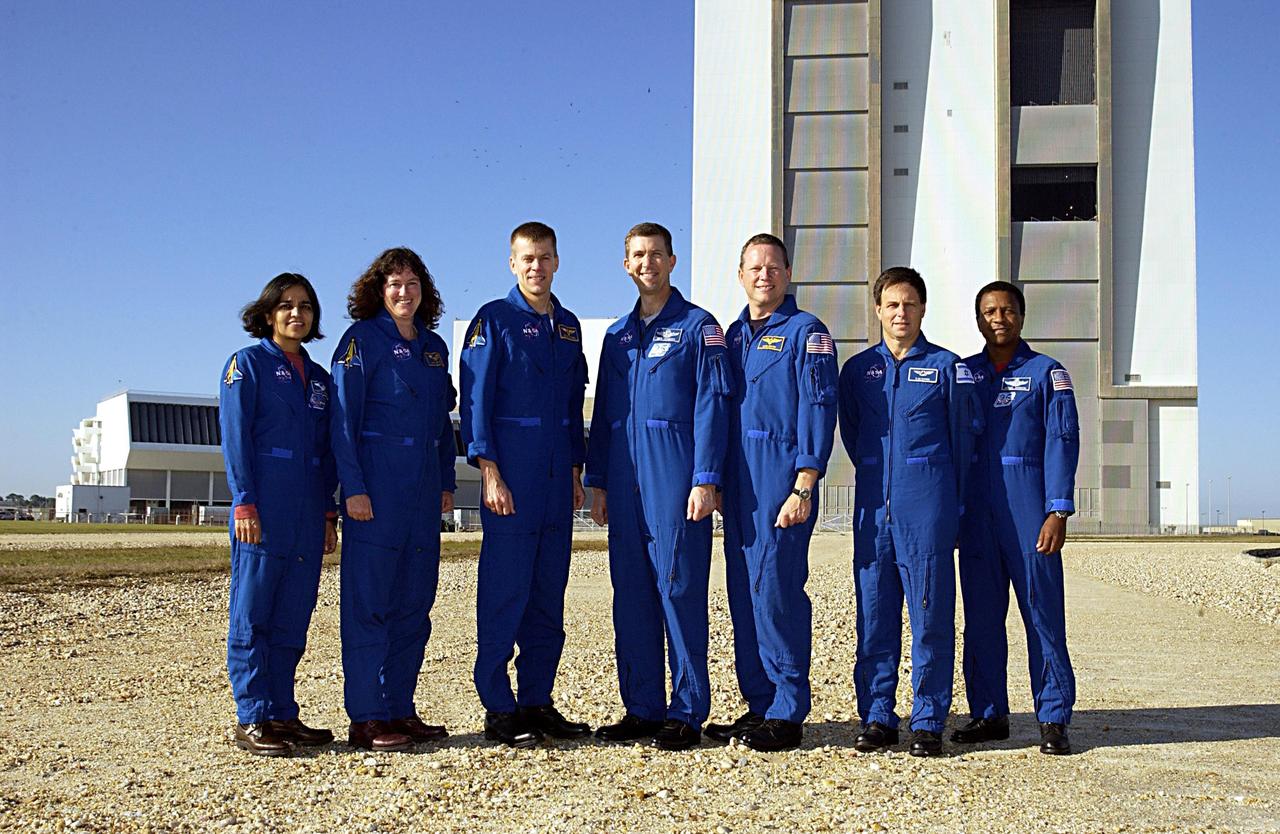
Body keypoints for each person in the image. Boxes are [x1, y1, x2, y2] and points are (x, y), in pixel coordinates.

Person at [585, 222, 732, 750]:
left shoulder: (698, 327)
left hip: (676, 478)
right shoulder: (619, 336)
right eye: (637, 255)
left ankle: (687, 709)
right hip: (624, 482)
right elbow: (604, 413)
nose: (646, 263)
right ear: (626, 264)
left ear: (673, 262)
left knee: (679, 588)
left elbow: (712, 404)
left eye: (655, 254)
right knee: (632, 595)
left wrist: (706, 478)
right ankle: (642, 707)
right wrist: (596, 480)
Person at [836, 267, 981, 757]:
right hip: (874, 512)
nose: (901, 313)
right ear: (878, 309)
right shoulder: (857, 371)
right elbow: (853, 435)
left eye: (910, 304)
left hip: (928, 512)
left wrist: (945, 501)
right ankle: (877, 715)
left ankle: (927, 719)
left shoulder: (946, 367)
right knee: (874, 616)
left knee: (931, 616)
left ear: (923, 309)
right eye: (892, 304)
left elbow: (964, 442)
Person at [702, 234, 838, 752]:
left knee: (777, 593)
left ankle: (787, 709)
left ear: (788, 273)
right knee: (743, 596)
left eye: (773, 267)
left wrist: (805, 483)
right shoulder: (731, 336)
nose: (764, 276)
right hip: (740, 487)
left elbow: (820, 407)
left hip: (782, 484)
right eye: (755, 268)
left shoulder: (808, 333)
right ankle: (758, 703)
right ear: (740, 275)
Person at [459, 222, 591, 748]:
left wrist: (578, 471)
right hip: (511, 481)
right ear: (512, 264)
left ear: (557, 261)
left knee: (546, 599)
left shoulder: (569, 327)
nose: (536, 267)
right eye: (526, 259)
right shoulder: (494, 320)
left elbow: (570, 407)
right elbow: (476, 402)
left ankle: (537, 700)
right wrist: (488, 470)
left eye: (544, 257)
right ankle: (499, 706)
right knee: (504, 594)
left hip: (558, 482)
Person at [330, 247, 457, 752]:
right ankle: (366, 716)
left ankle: (400, 707)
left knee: (414, 605)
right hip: (377, 493)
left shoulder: (432, 348)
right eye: (394, 284)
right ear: (379, 291)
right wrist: (353, 488)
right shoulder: (361, 341)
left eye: (412, 284)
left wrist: (447, 480)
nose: (404, 293)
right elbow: (342, 422)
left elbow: (441, 425)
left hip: (423, 493)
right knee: (369, 606)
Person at [952, 280, 1080, 755]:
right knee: (982, 618)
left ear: (1021, 316)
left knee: (1041, 614)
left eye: (1007, 310)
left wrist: (1057, 509)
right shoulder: (964, 374)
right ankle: (988, 714)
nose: (998, 318)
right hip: (977, 517)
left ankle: (1053, 718)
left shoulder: (1048, 374)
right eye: (988, 311)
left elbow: (1062, 442)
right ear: (978, 318)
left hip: (1030, 511)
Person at [219, 272, 338, 756]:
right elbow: (235, 436)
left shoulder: (321, 380)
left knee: (293, 617)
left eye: (306, 306)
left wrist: (328, 513)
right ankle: (252, 716)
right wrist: (243, 498)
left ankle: (282, 713)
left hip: (308, 513)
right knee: (254, 614)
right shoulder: (246, 366)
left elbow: (329, 449)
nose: (297, 314)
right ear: (268, 314)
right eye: (286, 305)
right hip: (262, 510)